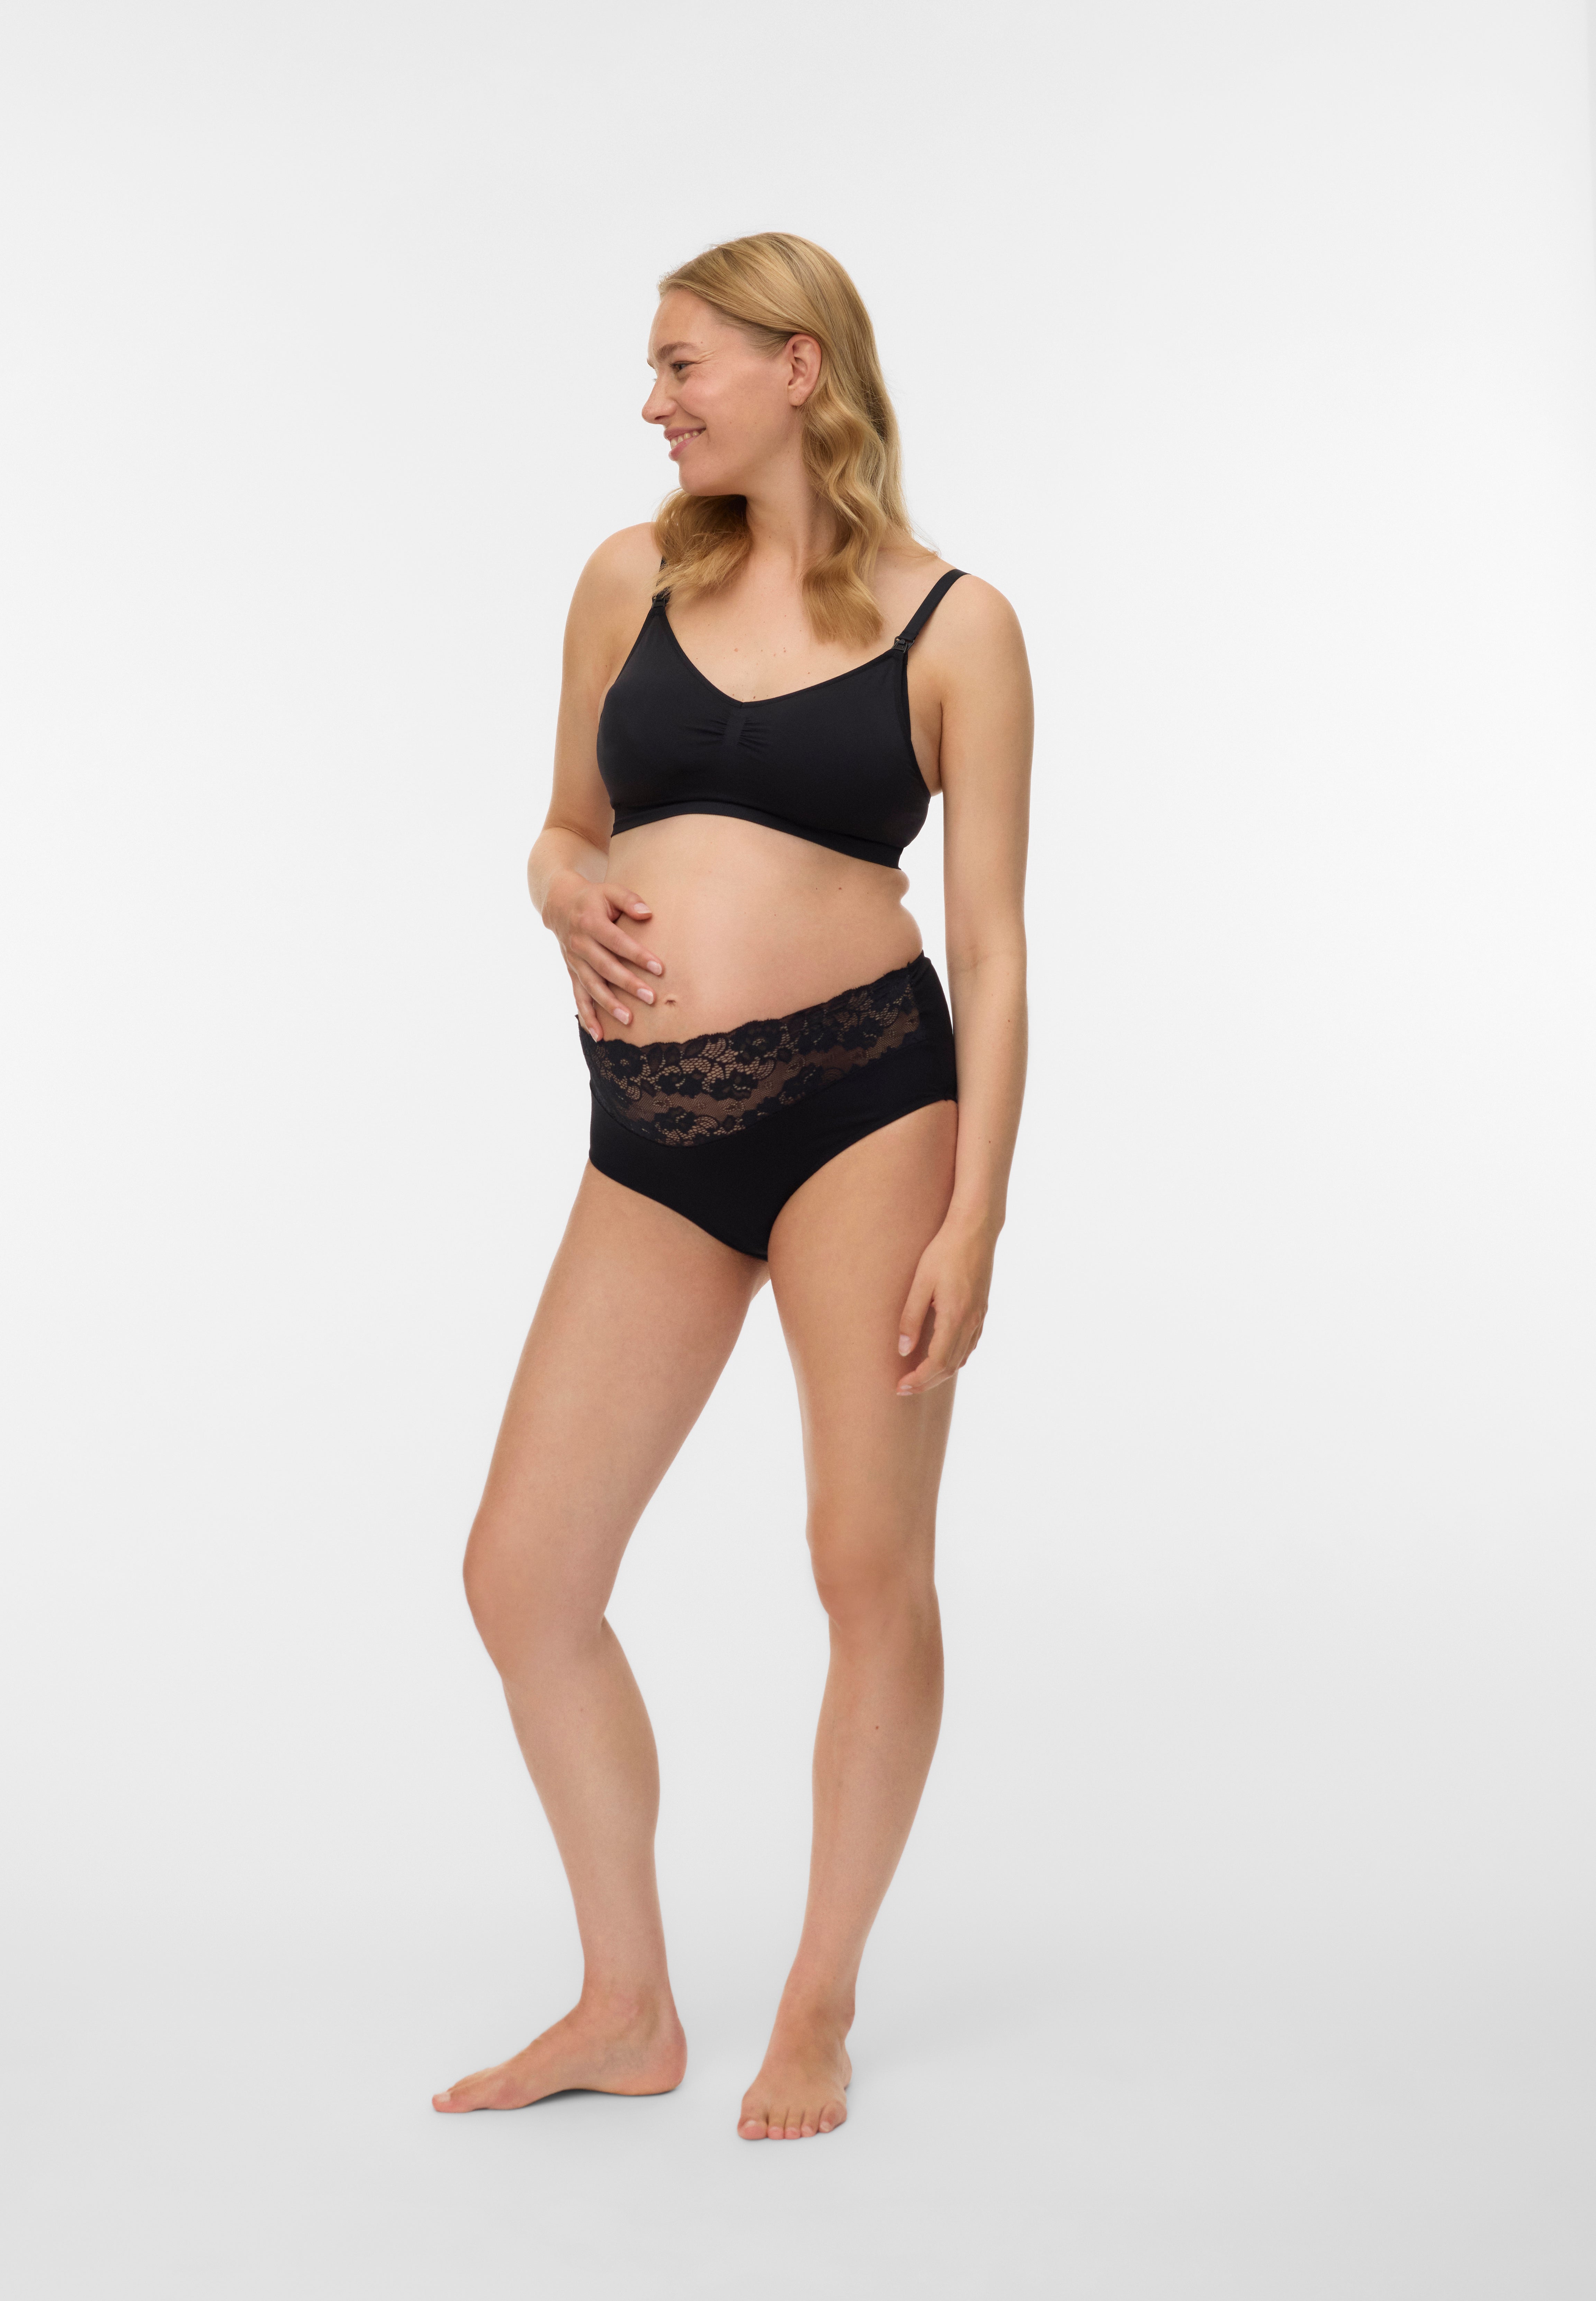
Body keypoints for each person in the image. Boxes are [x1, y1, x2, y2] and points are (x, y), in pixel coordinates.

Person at [433, 232, 1033, 2142]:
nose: (654, 400)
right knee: (525, 1573)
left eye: (682, 362)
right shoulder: (628, 579)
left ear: (798, 366)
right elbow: (561, 829)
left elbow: (994, 945)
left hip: (869, 1099)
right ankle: (626, 2003)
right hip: (653, 1121)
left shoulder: (958, 627)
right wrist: (561, 896)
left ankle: (820, 1997)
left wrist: (976, 1214)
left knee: (863, 1562)